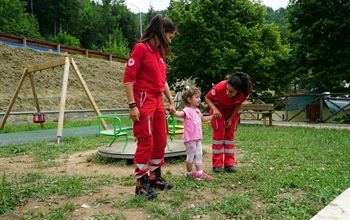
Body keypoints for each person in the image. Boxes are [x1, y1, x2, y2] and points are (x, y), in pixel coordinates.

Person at [123, 14, 176, 199]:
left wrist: (170, 100)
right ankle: (141, 183)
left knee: (160, 140)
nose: (170, 41)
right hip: (144, 99)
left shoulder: (159, 54)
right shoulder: (141, 49)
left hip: (158, 100)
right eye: (169, 37)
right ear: (161, 33)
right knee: (146, 140)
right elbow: (128, 79)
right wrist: (132, 105)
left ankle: (155, 178)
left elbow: (163, 81)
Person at [205, 72, 252, 173]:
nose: (227, 92)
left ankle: (229, 164)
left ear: (238, 91)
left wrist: (231, 118)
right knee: (219, 135)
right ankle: (217, 165)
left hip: (232, 110)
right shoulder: (220, 86)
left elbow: (238, 104)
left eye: (231, 92)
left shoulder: (244, 93)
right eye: (227, 89)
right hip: (218, 108)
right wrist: (215, 109)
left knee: (229, 136)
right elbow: (207, 98)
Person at [174, 87, 213, 180]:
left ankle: (200, 173)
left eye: (199, 97)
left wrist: (212, 116)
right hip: (190, 138)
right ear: (189, 99)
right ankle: (189, 173)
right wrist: (174, 112)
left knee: (199, 154)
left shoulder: (197, 110)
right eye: (197, 97)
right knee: (191, 155)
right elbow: (180, 114)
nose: (199, 99)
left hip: (198, 137)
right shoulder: (187, 110)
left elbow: (203, 119)